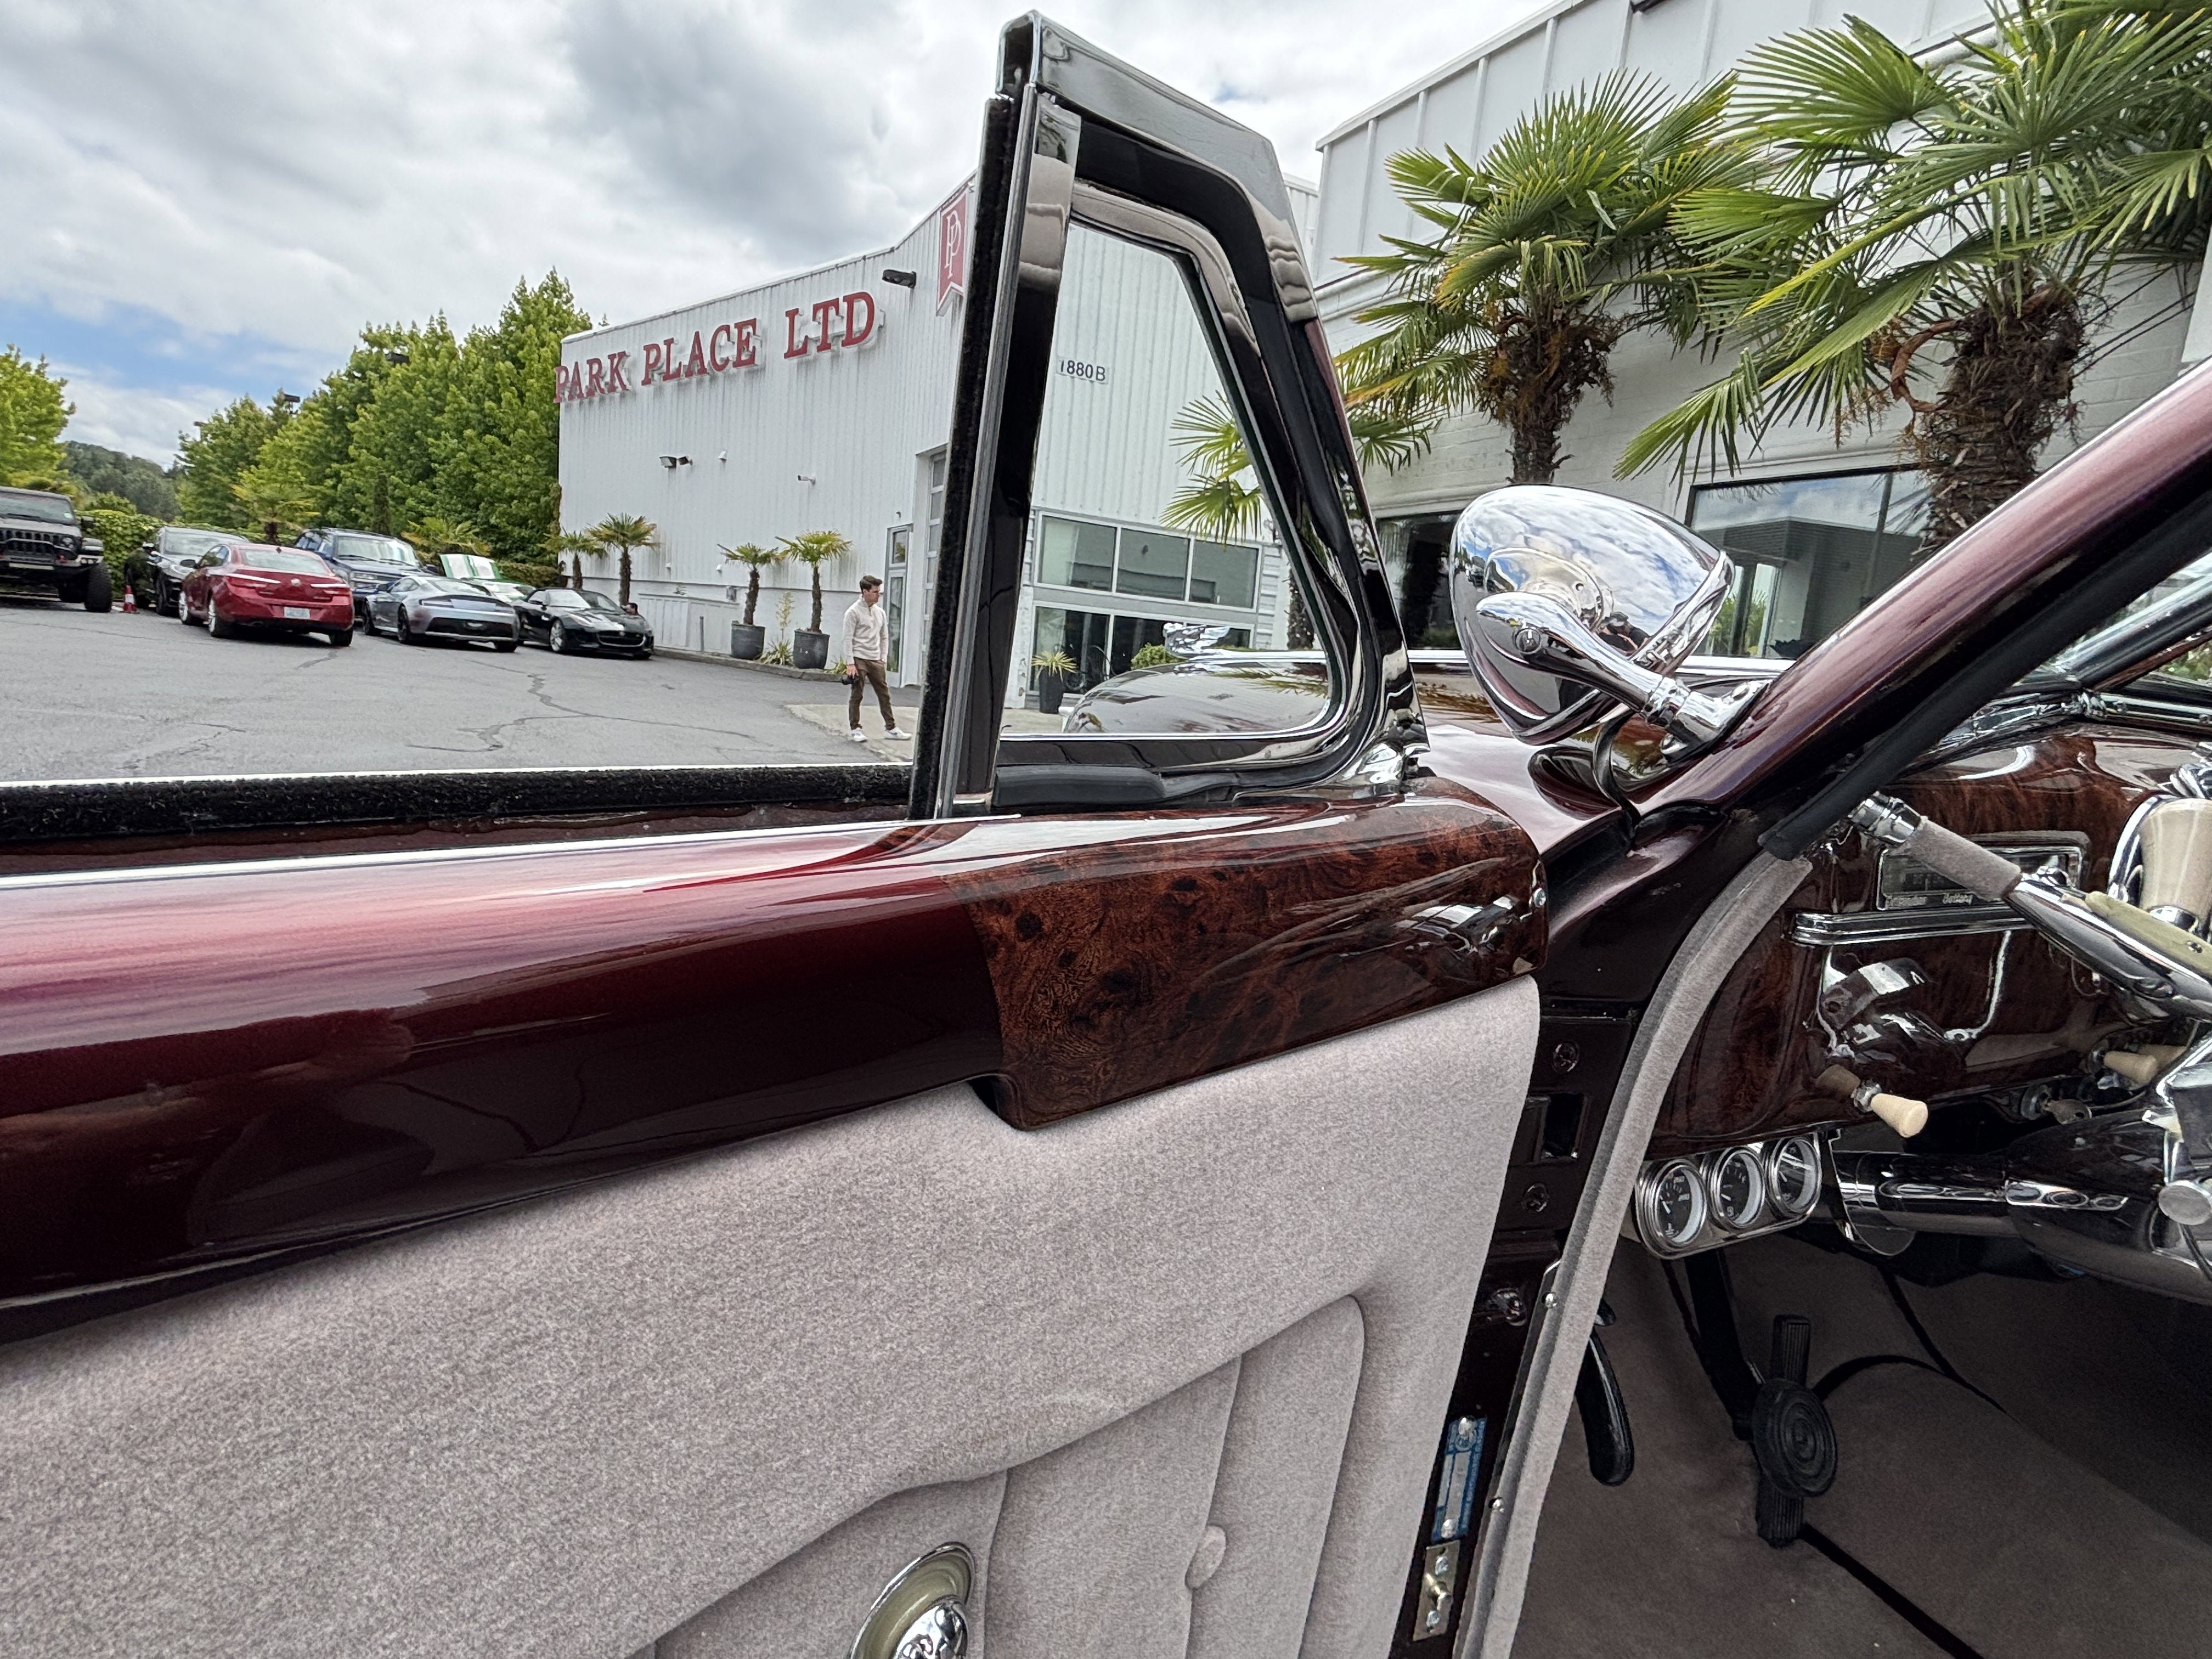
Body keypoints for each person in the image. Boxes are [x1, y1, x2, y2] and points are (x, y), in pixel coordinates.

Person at [841, 575, 905, 742]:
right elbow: (847, 638)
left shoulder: (880, 613)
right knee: (857, 694)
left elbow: (884, 637)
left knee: (884, 694)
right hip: (858, 658)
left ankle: (891, 728)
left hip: (875, 659)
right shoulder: (853, 612)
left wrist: (883, 658)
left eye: (879, 592)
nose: (879, 595)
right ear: (865, 592)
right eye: (876, 592)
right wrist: (850, 663)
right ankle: (855, 729)